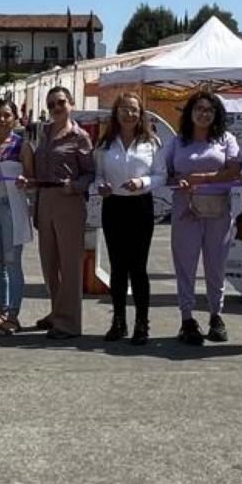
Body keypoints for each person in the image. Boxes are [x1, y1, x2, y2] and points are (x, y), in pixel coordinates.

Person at [165, 90, 239, 346]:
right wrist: (179, 181)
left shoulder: (226, 139)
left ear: (216, 114)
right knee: (185, 265)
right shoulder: (178, 142)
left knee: (216, 265)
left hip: (218, 212)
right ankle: (187, 318)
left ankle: (216, 315)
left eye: (209, 110)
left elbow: (234, 170)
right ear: (190, 113)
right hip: (185, 211)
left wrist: (204, 178)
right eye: (199, 109)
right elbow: (165, 173)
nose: (204, 114)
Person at [22, 86, 95, 339]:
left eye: (61, 102)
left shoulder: (80, 137)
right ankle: (57, 312)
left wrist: (75, 186)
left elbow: (90, 173)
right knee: (49, 262)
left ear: (71, 103)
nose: (56, 108)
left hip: (69, 201)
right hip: (45, 199)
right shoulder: (44, 133)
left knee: (69, 264)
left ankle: (69, 323)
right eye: (51, 104)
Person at [96, 93, 165, 345]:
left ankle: (141, 322)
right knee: (118, 267)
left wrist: (142, 182)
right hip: (114, 206)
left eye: (134, 110)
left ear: (141, 114)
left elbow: (161, 175)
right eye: (124, 109)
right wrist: (100, 185)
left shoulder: (151, 142)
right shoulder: (105, 144)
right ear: (116, 113)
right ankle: (118, 321)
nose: (129, 114)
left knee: (138, 267)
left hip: (140, 206)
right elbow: (98, 175)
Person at [0, 98, 35, 336]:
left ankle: (13, 315)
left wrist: (25, 182)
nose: (2, 120)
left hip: (11, 208)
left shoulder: (22, 146)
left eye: (7, 115)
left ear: (15, 119)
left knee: (12, 262)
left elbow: (32, 179)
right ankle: (2, 312)